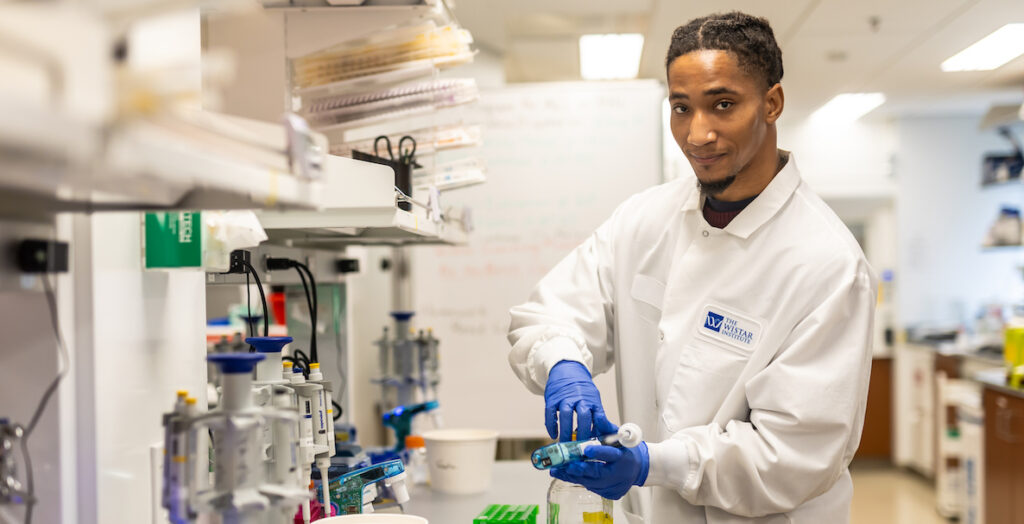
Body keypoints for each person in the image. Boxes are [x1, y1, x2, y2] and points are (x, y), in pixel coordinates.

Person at [507, 11, 877, 524]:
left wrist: (651, 463)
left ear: (772, 103)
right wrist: (562, 365)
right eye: (681, 108)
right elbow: (549, 314)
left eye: (722, 105)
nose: (698, 133)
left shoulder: (827, 263)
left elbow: (793, 456)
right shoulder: (644, 219)